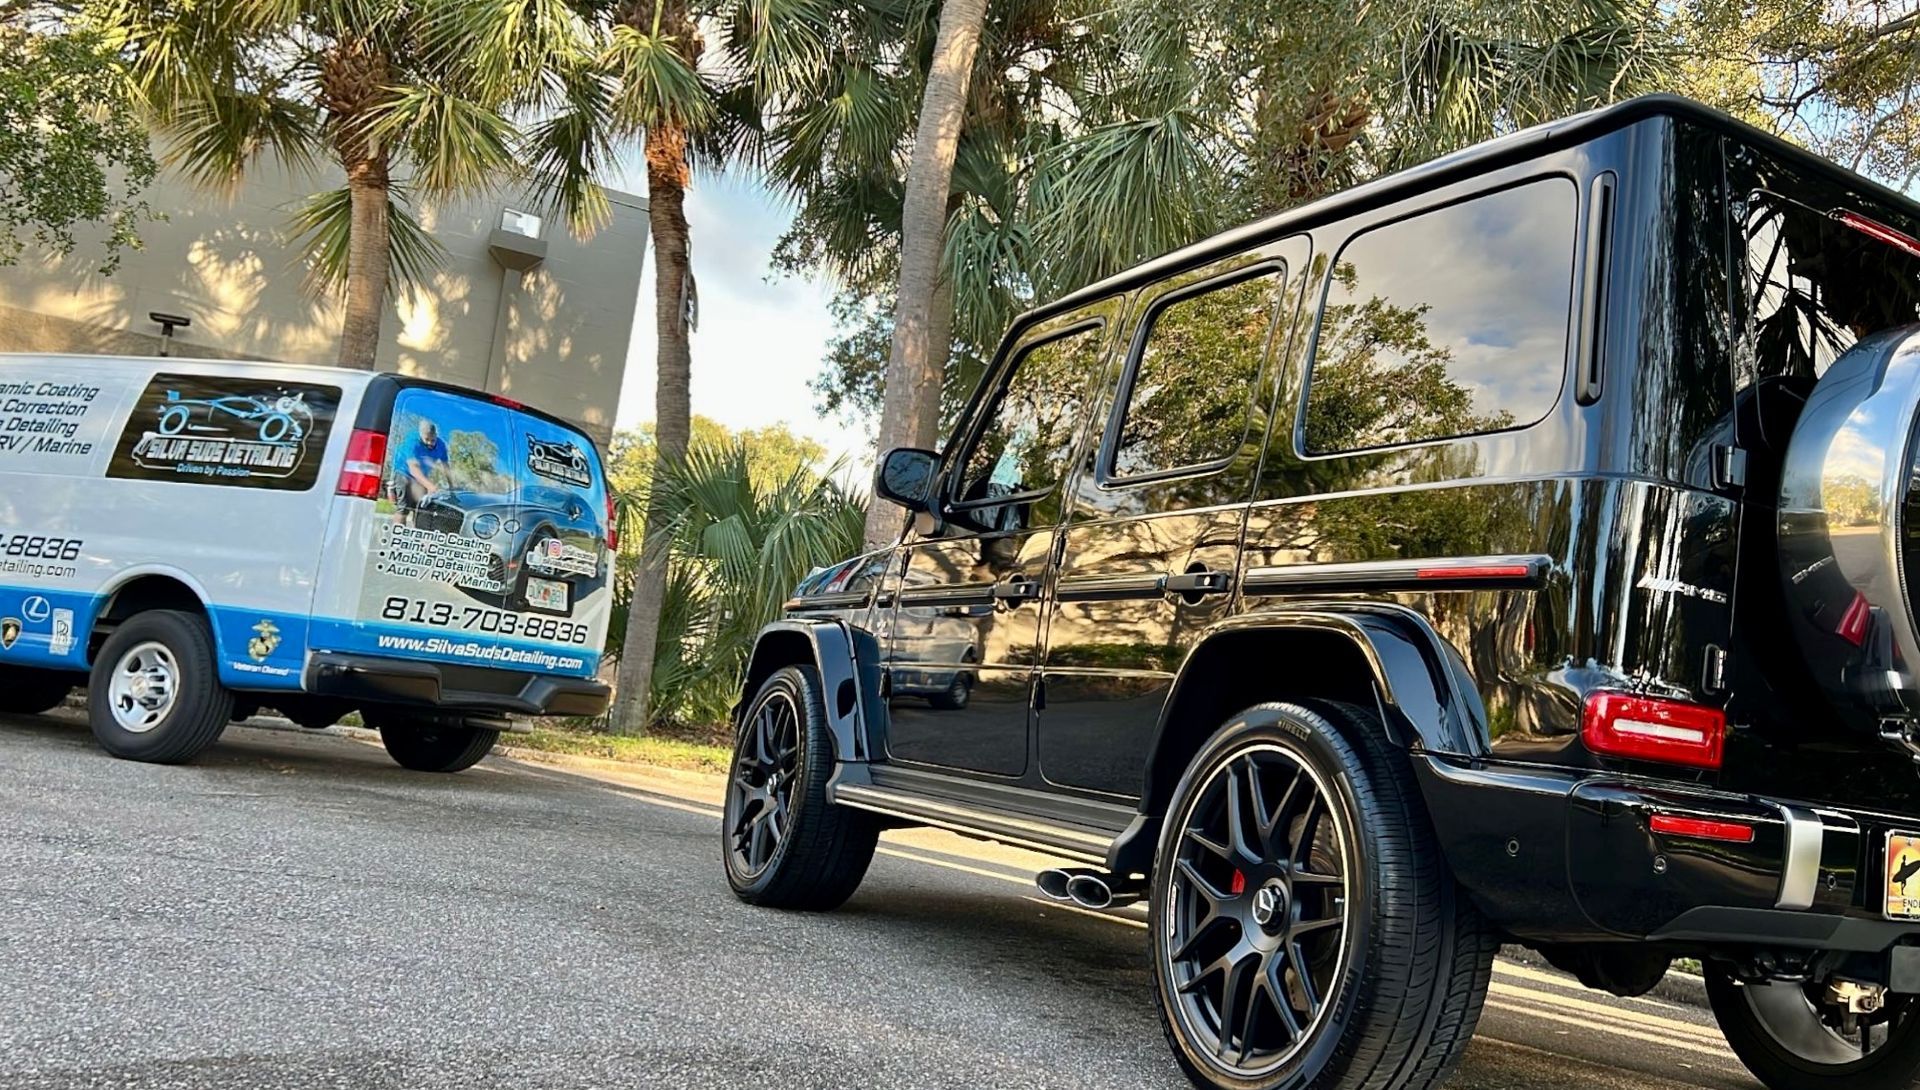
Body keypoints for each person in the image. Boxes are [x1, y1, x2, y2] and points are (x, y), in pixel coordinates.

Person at [392, 419, 449, 522]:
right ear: (420, 435)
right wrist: (431, 486)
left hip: (422, 475)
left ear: (436, 435)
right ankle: (398, 535)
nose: (430, 443)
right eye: (426, 439)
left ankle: (416, 535)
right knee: (403, 508)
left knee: (421, 509)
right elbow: (413, 469)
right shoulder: (411, 442)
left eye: (433, 440)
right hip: (404, 472)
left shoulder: (441, 445)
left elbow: (446, 467)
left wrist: (452, 486)